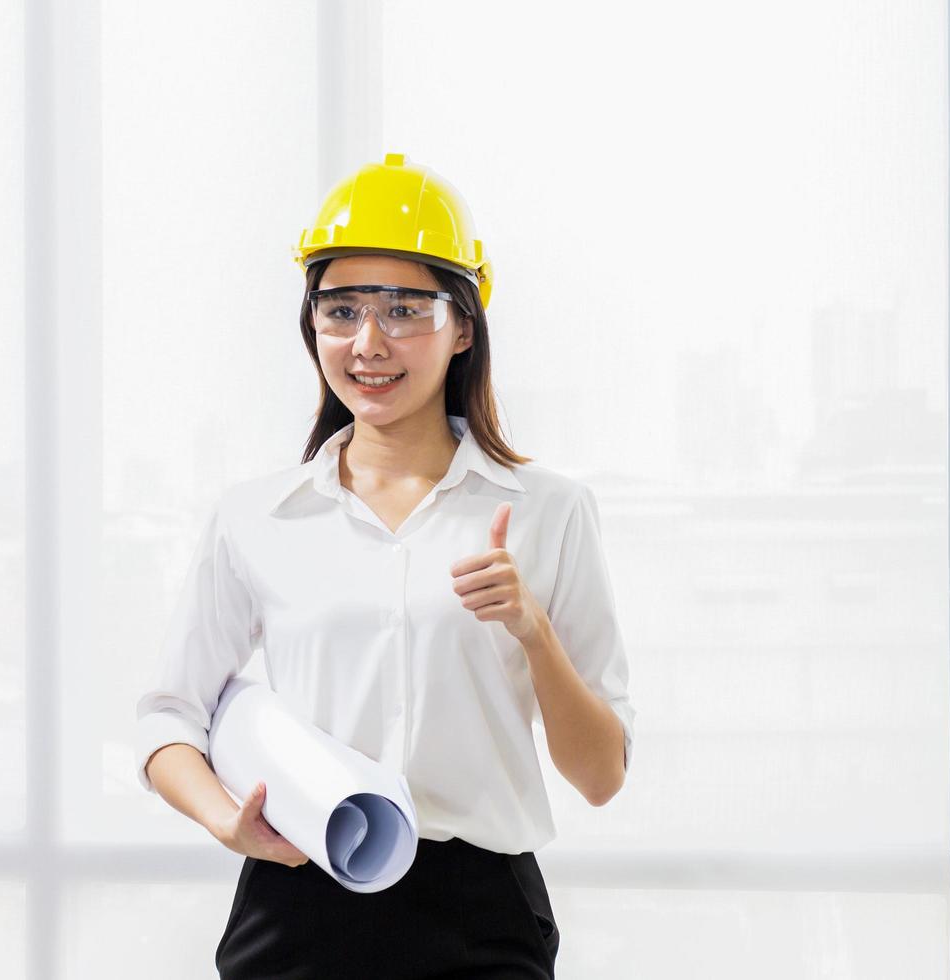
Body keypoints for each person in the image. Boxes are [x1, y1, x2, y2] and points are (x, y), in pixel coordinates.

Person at [133, 152, 636, 979]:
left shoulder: (549, 511)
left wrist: (531, 629)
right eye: (341, 310)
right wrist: (227, 822)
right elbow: (168, 718)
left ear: (463, 324)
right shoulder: (256, 516)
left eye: (405, 309)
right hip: (298, 900)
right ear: (313, 325)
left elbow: (601, 775)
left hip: (482, 917)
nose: (369, 342)